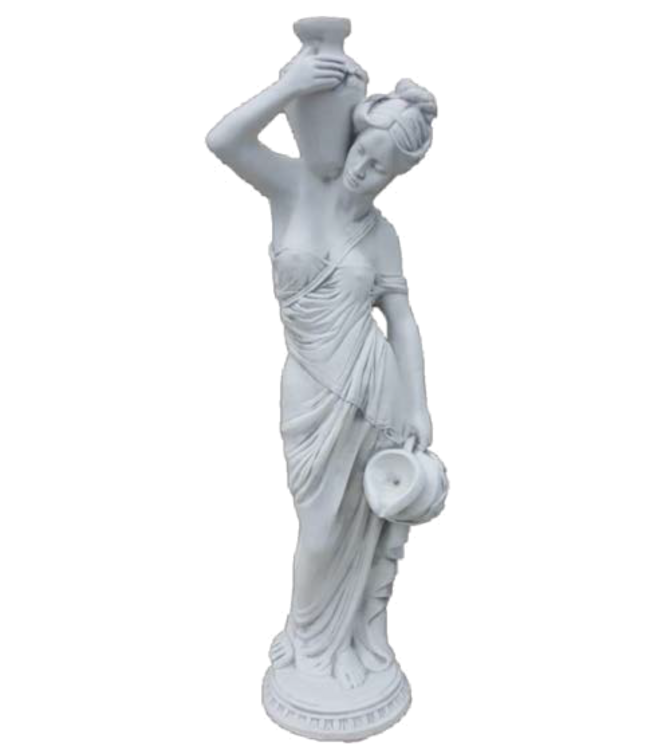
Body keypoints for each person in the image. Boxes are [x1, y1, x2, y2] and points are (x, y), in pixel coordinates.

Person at [206, 56, 437, 690]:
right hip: (310, 389)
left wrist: (418, 405)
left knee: (367, 521)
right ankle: (309, 645)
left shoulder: (382, 235)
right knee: (320, 526)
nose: (366, 169)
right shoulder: (293, 187)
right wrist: (287, 88)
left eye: (382, 167)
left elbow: (403, 324)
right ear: (353, 136)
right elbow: (222, 141)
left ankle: (357, 637)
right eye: (364, 151)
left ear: (397, 175)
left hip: (373, 390)